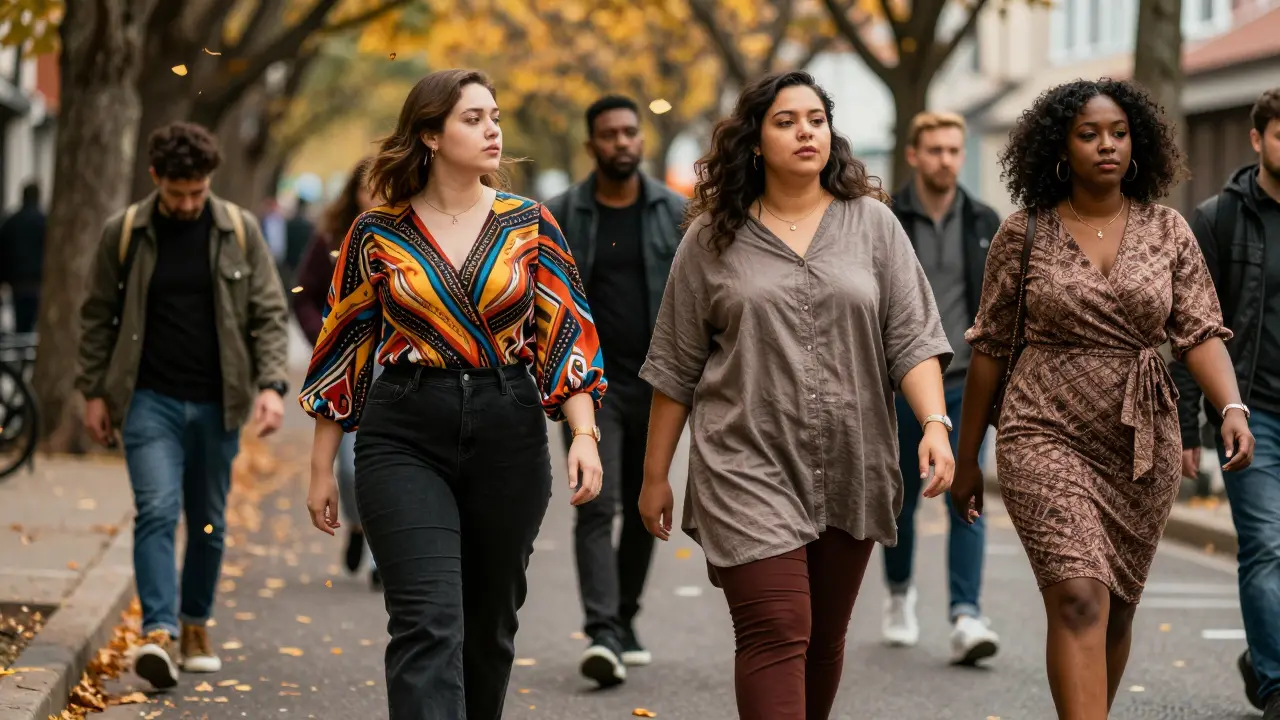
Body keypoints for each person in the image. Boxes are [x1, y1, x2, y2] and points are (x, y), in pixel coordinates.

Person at [637, 70, 955, 719]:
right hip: (744, 459)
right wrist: (653, 476)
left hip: (852, 458)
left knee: (822, 641)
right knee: (777, 628)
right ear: (755, 140)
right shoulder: (712, 238)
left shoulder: (873, 225)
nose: (806, 130)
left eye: (815, 118)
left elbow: (913, 336)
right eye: (786, 120)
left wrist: (936, 425)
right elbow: (675, 363)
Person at [298, 68, 607, 720]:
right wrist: (322, 467)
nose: (492, 128)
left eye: (494, 115)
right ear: (431, 135)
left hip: (509, 426)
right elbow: (344, 346)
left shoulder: (531, 224)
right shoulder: (376, 231)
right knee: (427, 623)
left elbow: (566, 332)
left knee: (487, 631)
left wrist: (583, 434)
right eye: (473, 118)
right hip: (405, 428)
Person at [950, 78, 1255, 718]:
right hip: (1042, 430)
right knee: (1079, 598)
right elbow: (991, 349)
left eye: (1117, 133)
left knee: (1115, 610)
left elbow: (1199, 331)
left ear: (1137, 143)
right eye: (1088, 135)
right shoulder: (1024, 232)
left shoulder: (1168, 231)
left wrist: (1231, 406)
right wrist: (970, 453)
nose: (1106, 146)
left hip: (1138, 441)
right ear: (1061, 147)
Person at [74, 121, 290, 689]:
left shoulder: (238, 231)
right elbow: (97, 316)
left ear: (210, 182)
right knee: (157, 510)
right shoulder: (125, 233)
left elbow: (268, 314)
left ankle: (196, 623)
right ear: (156, 180)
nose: (189, 203)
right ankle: (159, 631)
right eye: (178, 194)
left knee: (210, 521)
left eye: (198, 192)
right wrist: (93, 389)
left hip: (221, 402)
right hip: (149, 401)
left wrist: (271, 385)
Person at [544, 95, 688, 686]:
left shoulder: (676, 214)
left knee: (644, 501)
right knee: (596, 504)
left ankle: (624, 617)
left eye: (630, 132)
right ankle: (602, 630)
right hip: (588, 388)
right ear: (591, 145)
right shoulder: (560, 215)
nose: (622, 142)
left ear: (642, 140)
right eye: (609, 134)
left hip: (656, 386)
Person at [1171, 86, 1280, 720]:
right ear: (1257, 139)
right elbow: (1190, 328)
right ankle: (1275, 683)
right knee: (1266, 545)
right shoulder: (1219, 219)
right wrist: (1188, 422)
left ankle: (1264, 654)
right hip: (1252, 411)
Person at [882, 110, 1001, 663]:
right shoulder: (884, 218)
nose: (946, 160)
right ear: (913, 154)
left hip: (964, 381)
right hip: (900, 383)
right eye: (934, 150)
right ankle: (900, 595)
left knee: (966, 492)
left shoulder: (983, 220)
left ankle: (966, 615)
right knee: (900, 496)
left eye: (954, 150)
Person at [293, 156, 381, 590]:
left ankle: (383, 553)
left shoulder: (412, 237)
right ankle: (359, 526)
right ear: (354, 191)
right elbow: (303, 297)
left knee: (385, 465)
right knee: (349, 469)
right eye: (370, 187)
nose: (377, 195)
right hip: (347, 369)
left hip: (394, 368)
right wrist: (323, 341)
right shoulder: (331, 238)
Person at [0, 181, 47, 334]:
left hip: (18, 284)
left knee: (21, 327)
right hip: (38, 283)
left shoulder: (11, 222)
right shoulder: (45, 222)